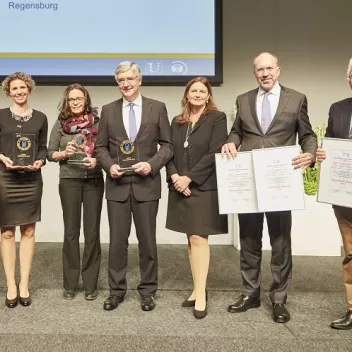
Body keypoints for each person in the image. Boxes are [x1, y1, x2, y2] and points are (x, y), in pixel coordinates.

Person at [222, 52, 317, 323]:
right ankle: (250, 294)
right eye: (259, 69)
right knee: (249, 240)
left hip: (280, 181)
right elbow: (237, 131)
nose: (265, 73)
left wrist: (309, 154)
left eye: (269, 68)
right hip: (249, 181)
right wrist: (231, 140)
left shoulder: (296, 98)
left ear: (278, 70)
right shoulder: (243, 100)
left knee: (280, 242)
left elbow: (307, 134)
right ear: (254, 73)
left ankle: (279, 300)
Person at [95, 61, 172, 312]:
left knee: (147, 241)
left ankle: (148, 291)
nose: (125, 84)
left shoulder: (157, 108)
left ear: (139, 80)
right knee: (117, 242)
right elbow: (100, 147)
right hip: (117, 185)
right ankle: (116, 291)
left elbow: (167, 146)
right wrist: (109, 166)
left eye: (130, 79)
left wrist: (152, 164)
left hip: (146, 184)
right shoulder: (108, 110)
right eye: (120, 81)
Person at [165, 77, 228, 319]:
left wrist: (189, 178)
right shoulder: (177, 122)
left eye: (203, 91)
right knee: (190, 240)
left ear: (209, 95)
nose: (198, 94)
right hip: (180, 185)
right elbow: (168, 151)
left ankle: (201, 294)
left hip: (202, 186)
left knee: (199, 238)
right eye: (194, 91)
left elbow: (215, 152)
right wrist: (174, 177)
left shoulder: (217, 118)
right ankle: (196, 288)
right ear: (187, 95)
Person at [47, 84, 104, 301]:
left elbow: (106, 150)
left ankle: (90, 284)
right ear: (67, 102)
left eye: (80, 98)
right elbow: (49, 152)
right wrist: (63, 153)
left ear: (86, 100)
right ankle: (70, 284)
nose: (76, 102)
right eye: (72, 99)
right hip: (69, 180)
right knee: (71, 232)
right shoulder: (61, 124)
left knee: (92, 233)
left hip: (94, 180)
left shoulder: (98, 123)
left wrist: (97, 160)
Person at [0, 72, 48, 308]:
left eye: (23, 87)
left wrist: (40, 161)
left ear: (29, 89)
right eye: (14, 88)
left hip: (31, 179)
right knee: (7, 232)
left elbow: (42, 147)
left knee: (28, 231)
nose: (19, 91)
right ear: (8, 92)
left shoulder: (40, 117)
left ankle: (24, 284)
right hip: (5, 177)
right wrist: (2, 157)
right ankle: (10, 284)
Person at [316, 58, 352, 330]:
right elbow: (330, 140)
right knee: (350, 254)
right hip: (344, 196)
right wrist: (323, 153)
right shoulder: (338, 109)